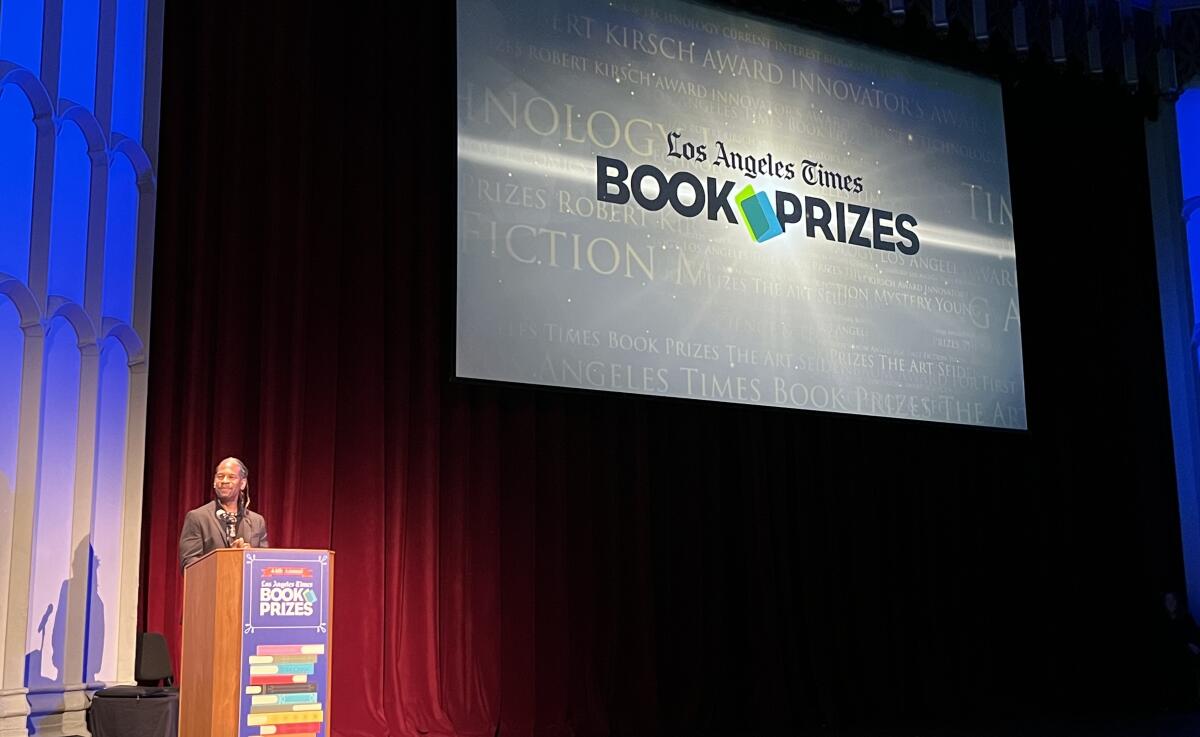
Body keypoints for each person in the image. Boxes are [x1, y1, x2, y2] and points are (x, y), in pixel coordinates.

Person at [178, 457, 269, 573]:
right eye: (220, 476)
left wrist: (250, 555)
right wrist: (227, 560)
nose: (224, 481)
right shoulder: (197, 517)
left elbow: (265, 565)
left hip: (246, 589)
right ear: (214, 482)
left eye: (231, 477)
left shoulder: (257, 521)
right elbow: (188, 564)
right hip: (210, 589)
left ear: (242, 483)